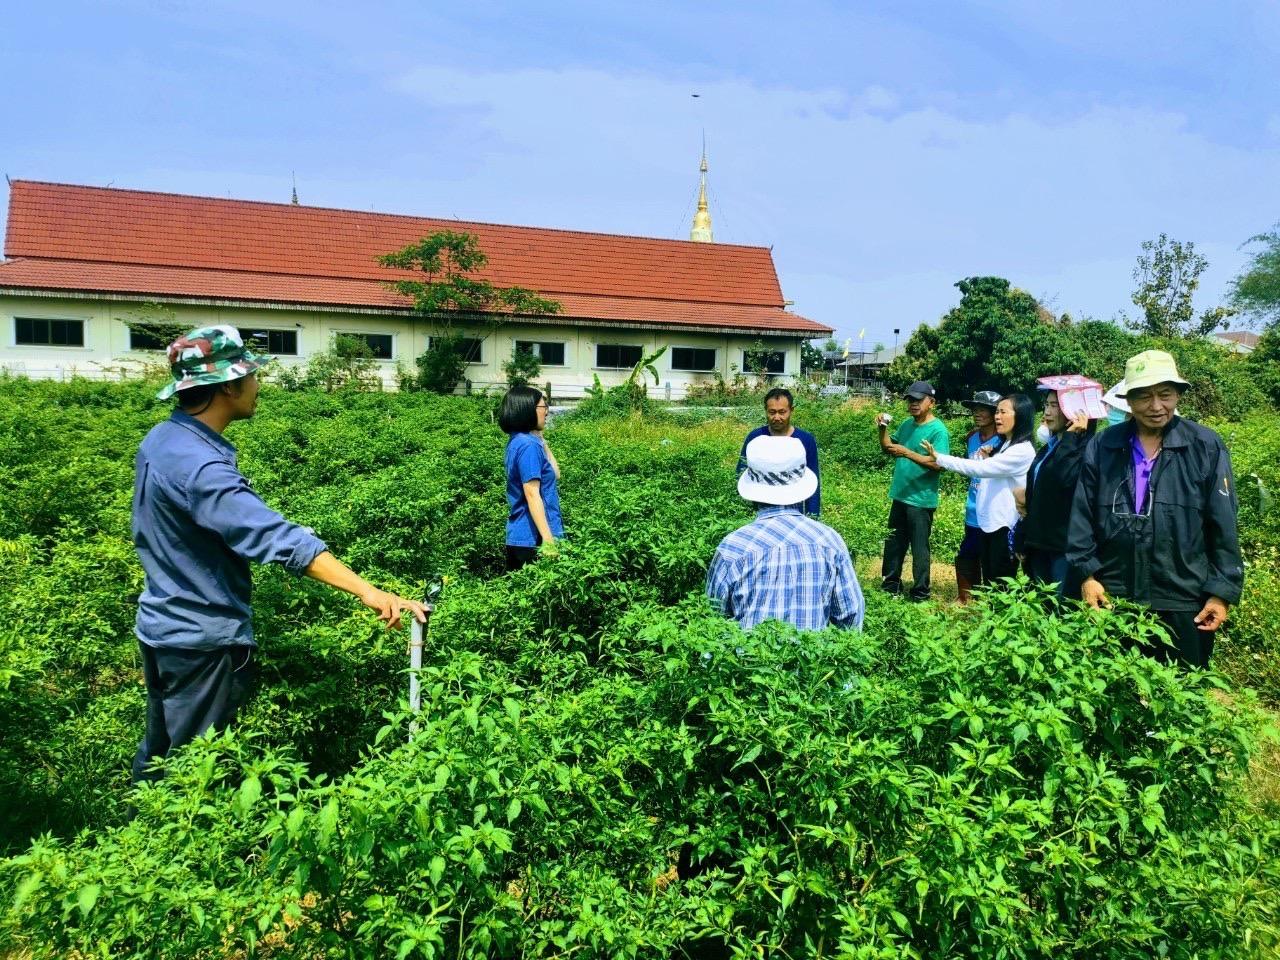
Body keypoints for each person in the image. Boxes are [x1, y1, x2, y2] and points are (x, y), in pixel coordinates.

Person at [132, 326, 429, 783]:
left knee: (159, 756)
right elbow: (274, 536)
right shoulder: (202, 467)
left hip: (162, 626)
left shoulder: (163, 439)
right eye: (251, 375)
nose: (258, 385)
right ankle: (180, 850)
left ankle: (138, 840)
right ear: (228, 386)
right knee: (193, 776)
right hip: (201, 641)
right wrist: (367, 591)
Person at [1066, 351, 1243, 667]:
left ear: (1178, 394)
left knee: (1183, 695)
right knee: (1110, 692)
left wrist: (1221, 590)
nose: (1156, 406)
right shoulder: (1104, 444)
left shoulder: (1204, 445)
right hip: (1112, 592)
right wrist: (1087, 575)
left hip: (1183, 594)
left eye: (1165, 394)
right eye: (1144, 396)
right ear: (1129, 401)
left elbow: (1223, 522)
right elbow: (1082, 514)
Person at [708, 435, 863, 630]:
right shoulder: (829, 541)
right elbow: (851, 618)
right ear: (801, 486)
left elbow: (714, 622)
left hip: (745, 660)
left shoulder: (733, 547)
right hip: (814, 659)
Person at [919, 394, 1037, 589]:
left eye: (1003, 412)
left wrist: (939, 457)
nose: (998, 416)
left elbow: (980, 470)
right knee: (990, 579)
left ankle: (1000, 616)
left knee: (1000, 583)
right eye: (997, 411)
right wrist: (987, 456)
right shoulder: (1005, 444)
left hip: (1004, 526)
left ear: (1021, 416)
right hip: (989, 523)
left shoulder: (1021, 450)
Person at [1017, 386, 1094, 598]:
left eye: (1055, 406)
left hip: (1063, 546)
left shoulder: (1086, 450)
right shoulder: (1048, 447)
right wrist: (1024, 533)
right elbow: (1036, 493)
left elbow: (1064, 478)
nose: (1047, 412)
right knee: (1040, 608)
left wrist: (1071, 438)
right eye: (1046, 405)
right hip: (1039, 542)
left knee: (1060, 610)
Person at [877, 381, 950, 600]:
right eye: (910, 400)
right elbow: (888, 447)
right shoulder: (908, 425)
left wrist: (908, 452)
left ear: (932, 403)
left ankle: (920, 592)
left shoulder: (939, 431)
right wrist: (882, 429)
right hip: (900, 495)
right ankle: (890, 586)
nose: (914, 404)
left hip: (921, 499)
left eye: (919, 400)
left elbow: (939, 464)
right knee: (894, 544)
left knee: (919, 548)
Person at [499, 385, 563, 572]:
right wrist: (549, 541)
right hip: (534, 539)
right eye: (543, 407)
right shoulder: (528, 446)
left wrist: (542, 440)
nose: (547, 413)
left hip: (528, 537)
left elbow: (556, 474)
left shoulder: (523, 441)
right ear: (528, 410)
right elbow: (532, 493)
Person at [737, 387, 821, 515]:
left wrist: (812, 517)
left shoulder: (805, 440)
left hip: (793, 509)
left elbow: (813, 477)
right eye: (772, 412)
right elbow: (741, 471)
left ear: (791, 411)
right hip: (759, 510)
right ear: (765, 411)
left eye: (782, 412)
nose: (777, 417)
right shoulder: (755, 438)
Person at [954, 390, 1003, 602]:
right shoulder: (972, 438)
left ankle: (992, 602)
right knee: (967, 553)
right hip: (973, 508)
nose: (977, 413)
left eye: (983, 409)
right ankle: (965, 598)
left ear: (995, 413)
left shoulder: (1004, 441)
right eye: (975, 409)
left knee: (992, 560)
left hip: (994, 511)